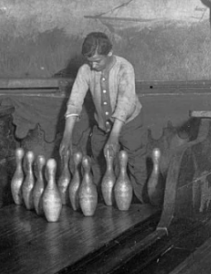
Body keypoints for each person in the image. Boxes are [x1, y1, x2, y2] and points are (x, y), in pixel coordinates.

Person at [59, 32, 147, 201]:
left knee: (137, 163)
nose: (92, 66)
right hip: (102, 125)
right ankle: (105, 202)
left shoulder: (124, 67)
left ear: (110, 53)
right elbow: (74, 101)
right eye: (89, 61)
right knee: (100, 160)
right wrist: (67, 136)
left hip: (129, 123)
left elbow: (125, 103)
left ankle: (143, 203)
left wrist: (114, 136)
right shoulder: (85, 70)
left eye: (97, 61)